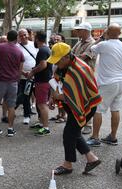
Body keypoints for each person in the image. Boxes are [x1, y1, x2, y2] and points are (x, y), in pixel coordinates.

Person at [47, 43, 102, 176]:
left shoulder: (78, 70)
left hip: (85, 106)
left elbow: (75, 96)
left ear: (66, 57)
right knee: (74, 133)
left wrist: (57, 96)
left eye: (58, 60)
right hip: (75, 106)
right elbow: (57, 83)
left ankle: (68, 165)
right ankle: (91, 159)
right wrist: (52, 97)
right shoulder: (63, 66)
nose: (56, 63)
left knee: (69, 133)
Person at [87, 23, 122, 147]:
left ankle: (95, 137)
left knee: (98, 109)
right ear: (120, 33)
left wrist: (101, 38)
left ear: (107, 32)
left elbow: (91, 48)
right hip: (121, 81)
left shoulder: (103, 44)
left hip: (107, 83)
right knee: (115, 109)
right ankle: (112, 137)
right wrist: (118, 71)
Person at [0, 30, 25, 137]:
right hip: (13, 82)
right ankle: (10, 128)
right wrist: (17, 79)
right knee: (11, 106)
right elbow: (20, 68)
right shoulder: (19, 51)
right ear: (16, 38)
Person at [72, 22, 96, 135]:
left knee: (86, 100)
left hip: (86, 76)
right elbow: (71, 54)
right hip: (77, 75)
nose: (77, 32)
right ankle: (79, 122)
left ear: (86, 31)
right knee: (78, 99)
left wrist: (69, 57)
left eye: (79, 30)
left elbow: (82, 58)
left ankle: (88, 124)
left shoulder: (93, 44)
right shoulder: (79, 43)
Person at [27, 31, 53, 136]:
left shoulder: (42, 50)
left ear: (37, 39)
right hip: (44, 80)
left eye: (34, 37)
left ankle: (46, 128)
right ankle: (42, 123)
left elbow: (43, 65)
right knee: (41, 103)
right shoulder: (46, 49)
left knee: (42, 105)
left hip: (43, 81)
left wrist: (32, 72)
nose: (33, 40)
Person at [16, 29, 38, 125]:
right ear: (18, 37)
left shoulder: (34, 44)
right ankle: (26, 115)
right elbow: (15, 63)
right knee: (26, 96)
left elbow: (39, 58)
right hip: (24, 77)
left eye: (25, 35)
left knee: (39, 97)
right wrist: (23, 73)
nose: (23, 37)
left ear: (28, 35)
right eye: (21, 35)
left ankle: (41, 117)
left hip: (36, 75)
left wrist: (34, 71)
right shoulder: (16, 47)